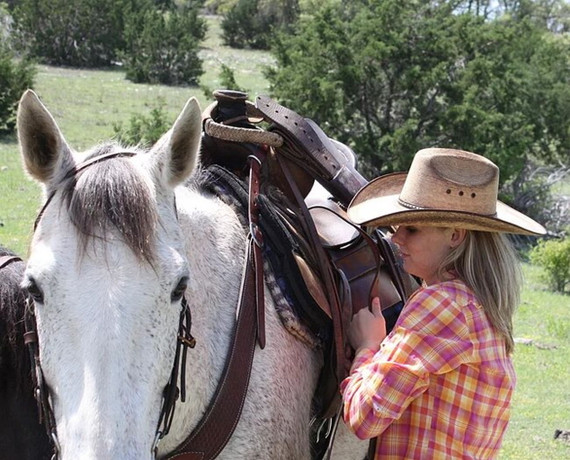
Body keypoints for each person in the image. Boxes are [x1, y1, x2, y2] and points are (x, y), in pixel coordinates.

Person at [341, 148, 546, 459]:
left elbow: (365, 416)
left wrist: (366, 345)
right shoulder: (479, 306)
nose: (396, 240)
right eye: (397, 229)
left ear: (455, 235)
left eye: (411, 229)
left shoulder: (442, 305)